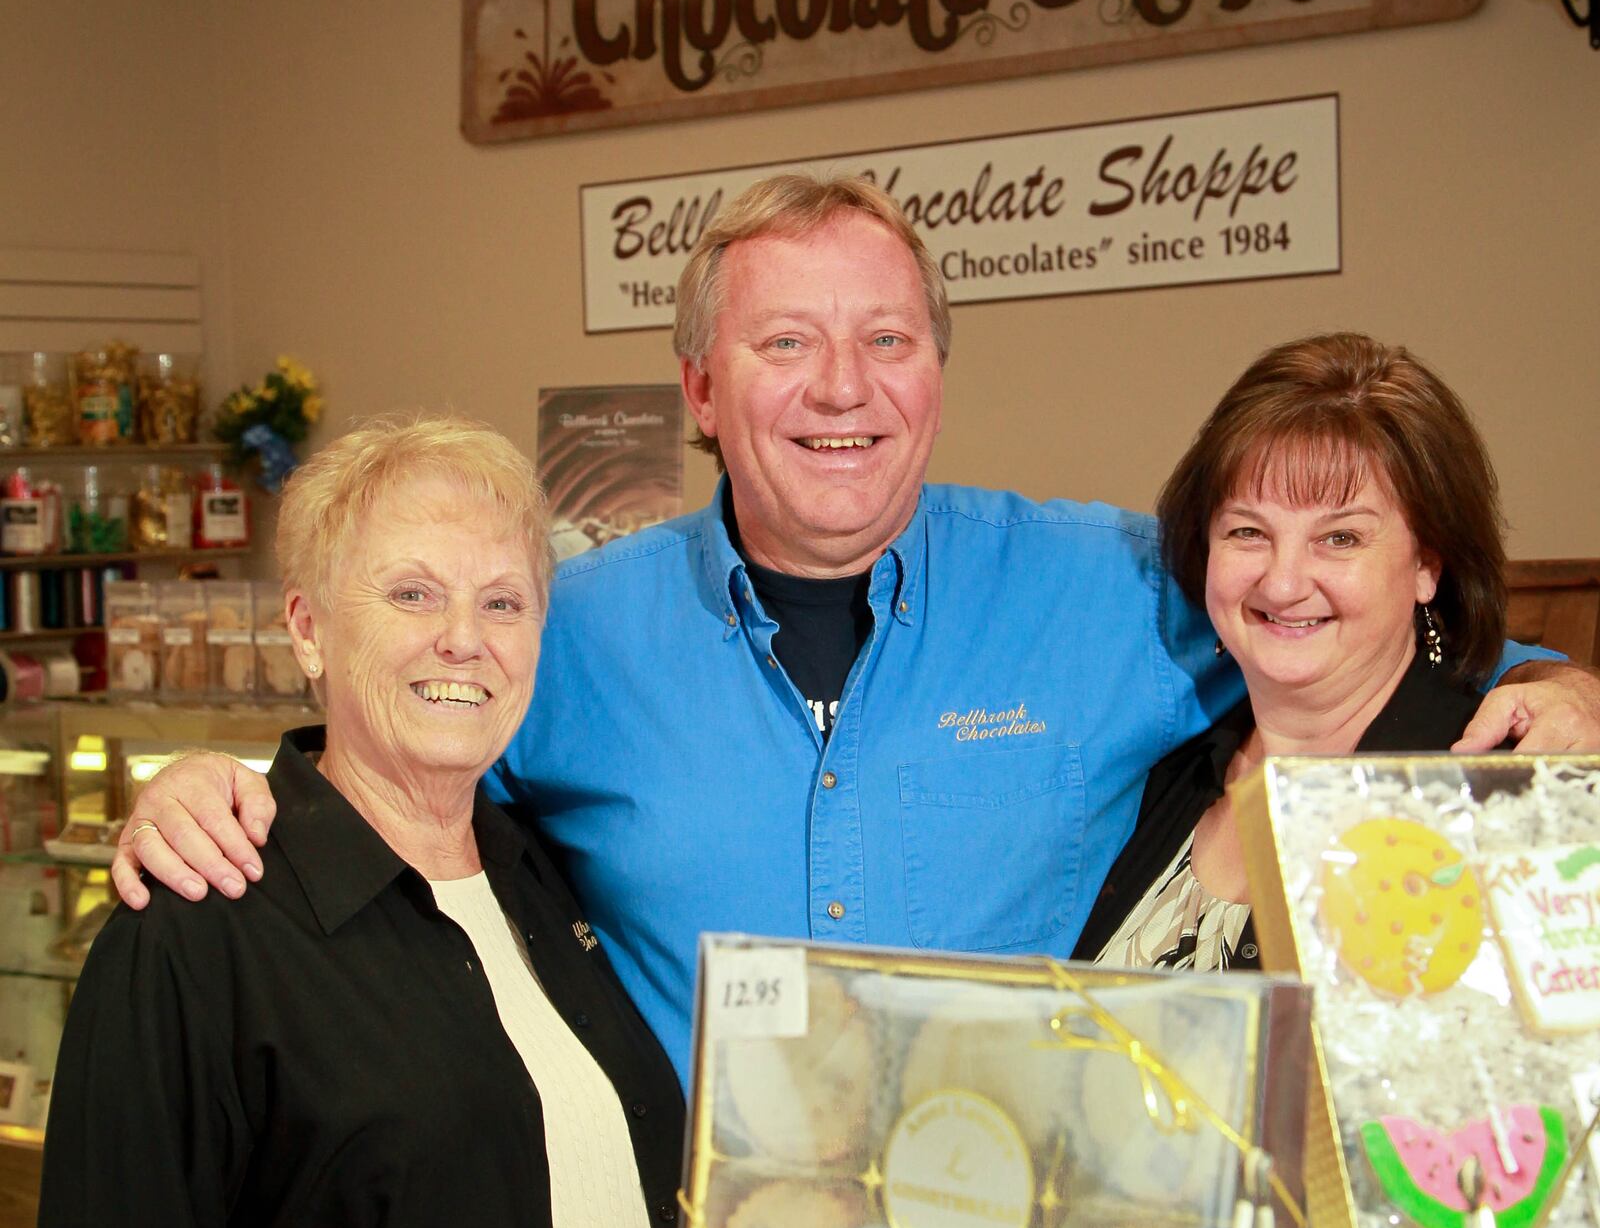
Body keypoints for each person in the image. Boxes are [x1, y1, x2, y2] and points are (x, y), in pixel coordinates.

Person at [108, 177, 1600, 1081]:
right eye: (786, 344)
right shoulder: (574, 629)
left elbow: (1330, 623)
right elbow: (399, 763)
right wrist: (231, 782)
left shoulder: (1115, 586)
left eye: (886, 341)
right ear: (700, 390)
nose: (845, 388)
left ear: (935, 372)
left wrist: (1553, 682)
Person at [32, 418, 683, 1228]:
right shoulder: (199, 932)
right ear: (307, 629)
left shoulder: (543, 883)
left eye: (502, 601)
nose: (461, 638)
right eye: (412, 593)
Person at [1076, 334, 1519, 970]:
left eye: (1340, 538)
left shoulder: (1502, 804)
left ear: (1427, 563)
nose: (1282, 583)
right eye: (1249, 532)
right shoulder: (1165, 776)